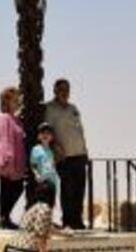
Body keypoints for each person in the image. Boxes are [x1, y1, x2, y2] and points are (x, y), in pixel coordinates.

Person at [44, 78, 88, 229]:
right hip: (64, 156)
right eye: (61, 89)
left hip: (79, 154)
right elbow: (47, 131)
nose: (65, 92)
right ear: (55, 90)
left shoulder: (73, 108)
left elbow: (80, 130)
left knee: (79, 189)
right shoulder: (49, 108)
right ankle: (68, 220)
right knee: (67, 189)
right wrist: (55, 146)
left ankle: (78, 220)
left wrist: (85, 150)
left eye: (67, 89)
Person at [0, 86, 26, 229]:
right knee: (7, 189)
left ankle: (3, 217)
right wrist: (7, 159)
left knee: (15, 188)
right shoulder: (4, 118)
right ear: (7, 101)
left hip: (17, 161)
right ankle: (3, 218)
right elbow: (4, 139)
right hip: (7, 160)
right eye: (15, 99)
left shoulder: (16, 120)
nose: (18, 102)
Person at [13, 181, 62, 252]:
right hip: (26, 248)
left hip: (16, 246)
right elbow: (40, 235)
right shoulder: (45, 210)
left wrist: (63, 233)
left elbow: (45, 227)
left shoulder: (35, 207)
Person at [29, 123, 60, 205]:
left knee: (50, 204)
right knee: (41, 204)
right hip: (42, 181)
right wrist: (36, 174)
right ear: (39, 136)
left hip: (52, 182)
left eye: (48, 133)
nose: (45, 135)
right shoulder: (36, 149)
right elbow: (33, 164)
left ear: (52, 137)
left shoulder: (52, 151)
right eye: (43, 133)